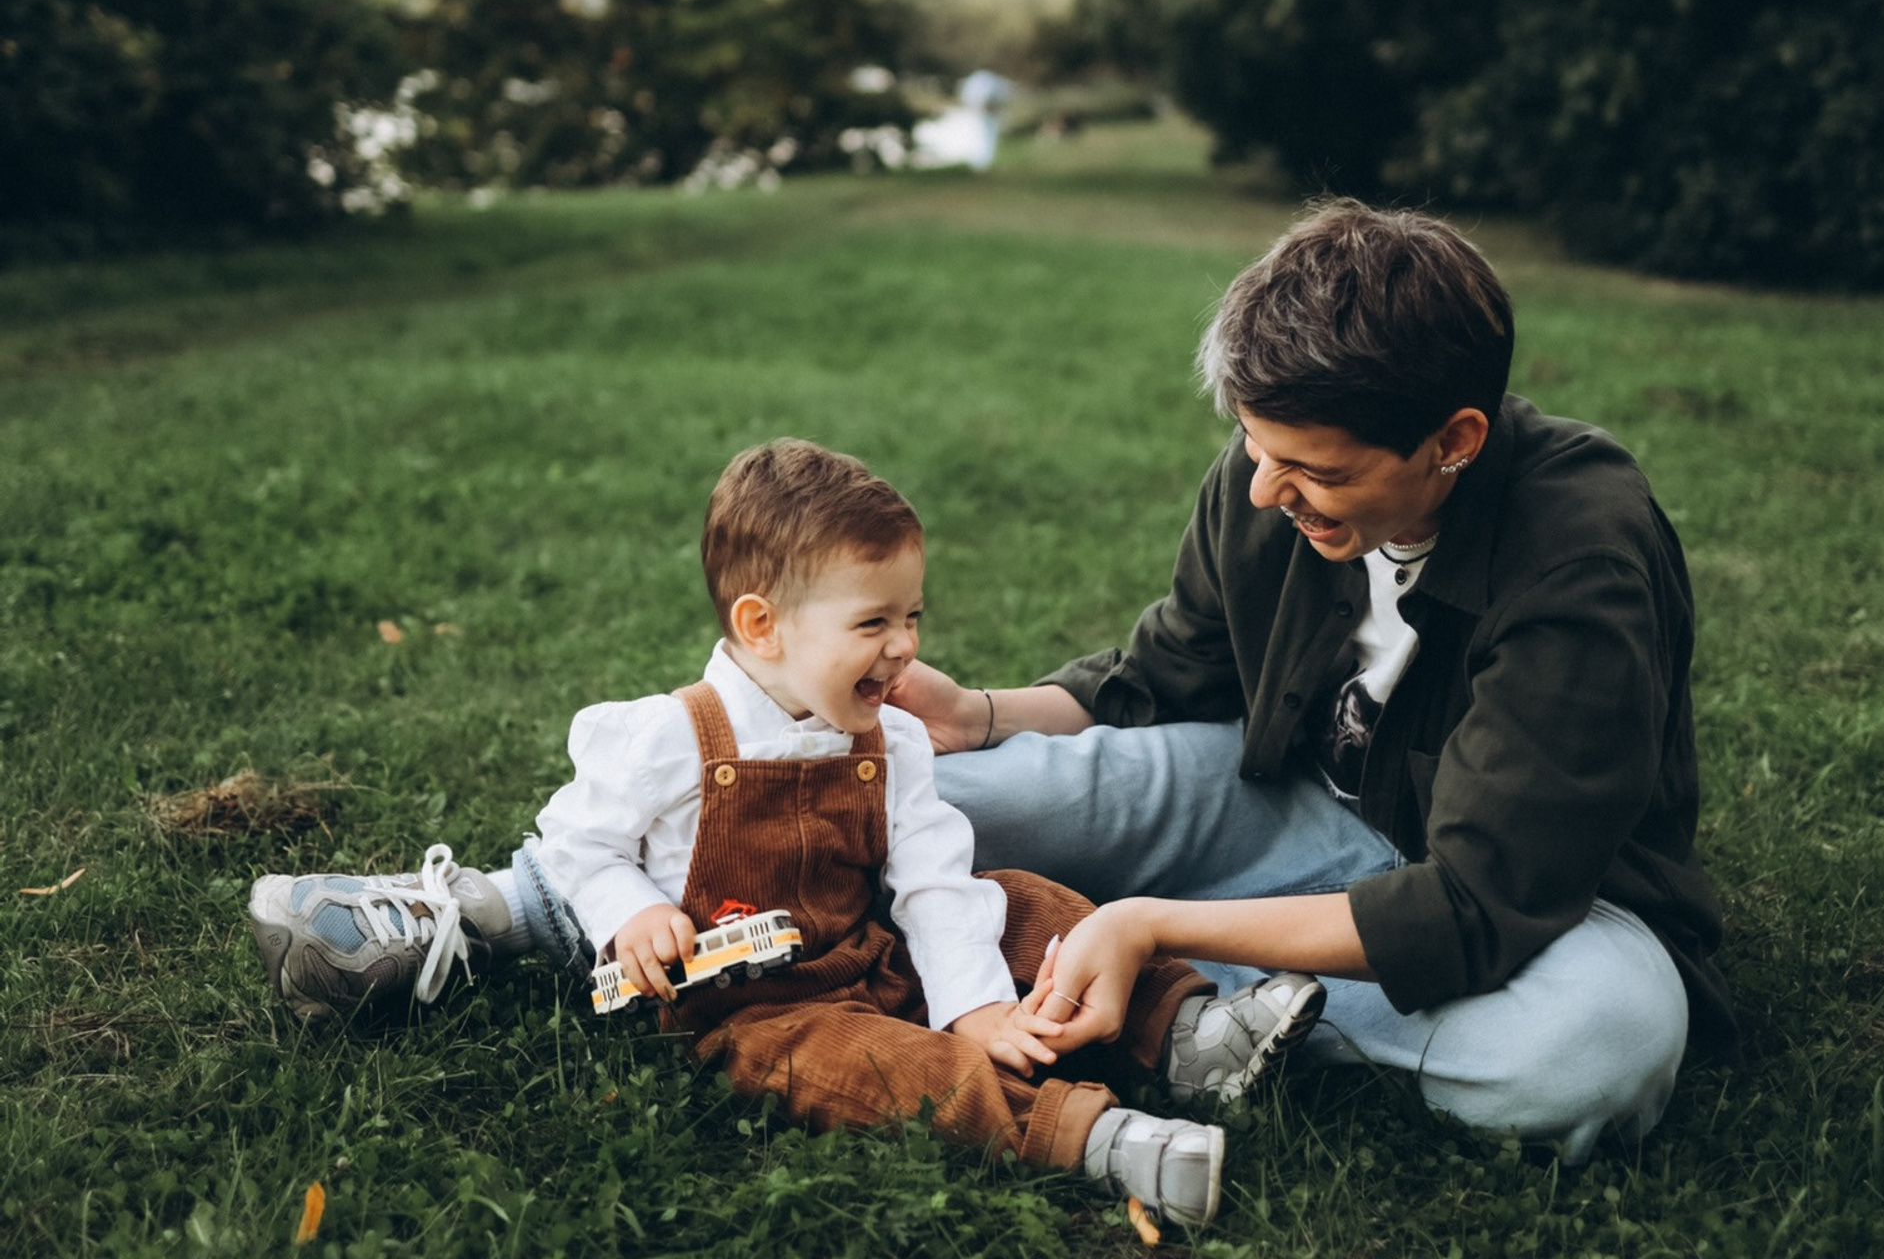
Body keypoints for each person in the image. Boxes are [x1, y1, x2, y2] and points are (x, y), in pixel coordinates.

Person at [248, 440, 1327, 1230]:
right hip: (758, 1008)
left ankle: (1189, 1036)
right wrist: (634, 913)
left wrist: (975, 1001)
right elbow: (575, 843)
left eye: (913, 616)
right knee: (881, 1068)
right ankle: (1094, 1139)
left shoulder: (890, 742)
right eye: (873, 623)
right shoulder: (671, 738)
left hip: (879, 951)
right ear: (761, 625)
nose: (905, 648)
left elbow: (938, 885)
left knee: (1026, 902)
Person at [897, 199, 1736, 1164]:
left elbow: (1475, 906)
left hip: (1540, 918)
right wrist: (982, 714)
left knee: (1595, 1051)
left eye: (1311, 470)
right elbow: (1171, 674)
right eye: (1259, 449)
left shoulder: (1581, 561)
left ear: (1453, 441)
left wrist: (1149, 921)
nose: (1265, 490)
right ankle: (1133, 976)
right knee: (914, 804)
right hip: (1292, 816)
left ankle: (1146, 991)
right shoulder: (1272, 473)